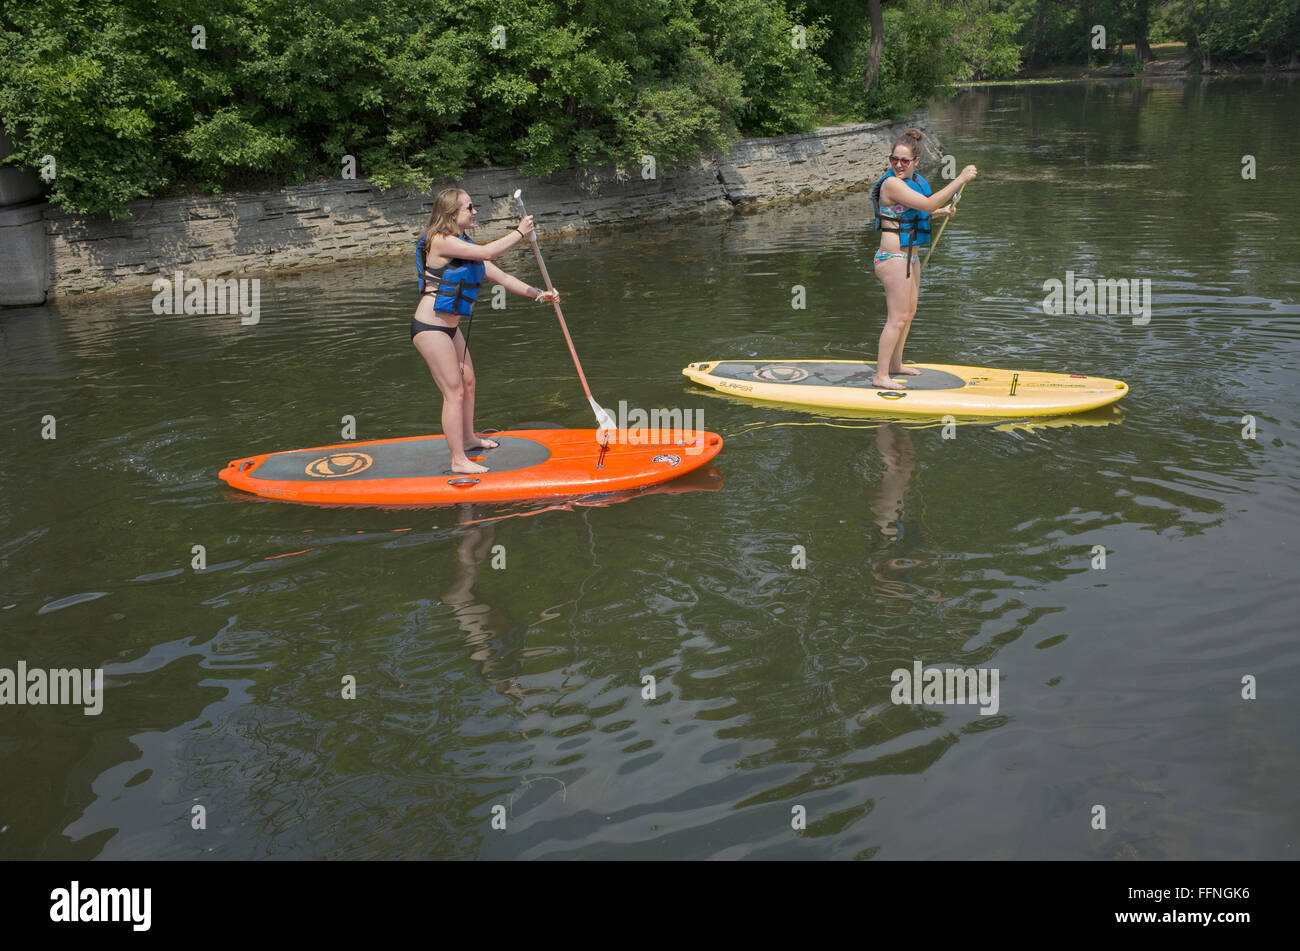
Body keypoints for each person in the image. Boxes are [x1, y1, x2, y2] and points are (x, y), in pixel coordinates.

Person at [412, 188, 560, 474]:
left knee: (468, 382)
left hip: (450, 329)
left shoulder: (463, 244)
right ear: (452, 213)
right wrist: (519, 232)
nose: (475, 211)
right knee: (453, 392)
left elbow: (502, 276)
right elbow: (488, 251)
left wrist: (541, 294)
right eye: (469, 207)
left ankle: (468, 439)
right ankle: (457, 460)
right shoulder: (440, 241)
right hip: (430, 327)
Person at [871, 129, 977, 390]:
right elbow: (926, 204)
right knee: (896, 318)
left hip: (909, 258)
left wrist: (940, 211)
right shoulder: (892, 184)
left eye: (904, 161)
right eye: (894, 159)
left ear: (916, 161)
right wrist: (960, 178)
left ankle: (896, 364)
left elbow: (918, 211)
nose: (898, 164)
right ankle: (881, 375)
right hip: (893, 258)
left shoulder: (913, 182)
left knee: (909, 314)